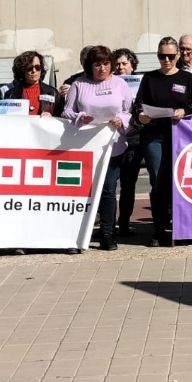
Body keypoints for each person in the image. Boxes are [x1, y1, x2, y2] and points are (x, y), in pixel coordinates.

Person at [134, 37, 192, 246]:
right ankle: (159, 229)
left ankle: (181, 226)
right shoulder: (149, 78)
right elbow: (137, 105)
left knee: (183, 180)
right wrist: (141, 116)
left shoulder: (187, 78)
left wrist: (185, 110)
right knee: (158, 180)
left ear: (177, 56)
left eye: (170, 56)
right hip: (154, 136)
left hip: (181, 136)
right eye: (161, 56)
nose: (166, 60)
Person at [64, 46, 134, 251]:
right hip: (85, 145)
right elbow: (67, 111)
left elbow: (129, 111)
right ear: (89, 66)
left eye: (106, 64)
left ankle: (107, 234)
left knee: (108, 189)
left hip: (112, 144)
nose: (102, 68)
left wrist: (121, 120)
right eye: (97, 65)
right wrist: (80, 117)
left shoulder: (120, 84)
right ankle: (77, 234)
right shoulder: (79, 84)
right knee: (83, 190)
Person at [112, 48, 144, 237]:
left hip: (133, 139)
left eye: (124, 63)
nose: (120, 67)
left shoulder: (141, 83)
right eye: (117, 64)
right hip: (112, 139)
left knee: (128, 184)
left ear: (132, 66)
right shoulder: (109, 84)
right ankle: (108, 223)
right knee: (109, 185)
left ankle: (124, 223)